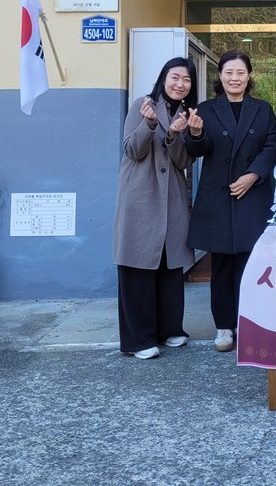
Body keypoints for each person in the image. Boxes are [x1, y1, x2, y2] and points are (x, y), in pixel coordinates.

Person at [185, 51, 276, 353]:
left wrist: (253, 174)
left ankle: (248, 323)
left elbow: (272, 145)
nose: (235, 78)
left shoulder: (262, 109)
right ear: (220, 76)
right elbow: (197, 150)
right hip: (219, 196)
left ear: (249, 76)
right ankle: (224, 326)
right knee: (222, 268)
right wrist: (195, 133)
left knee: (251, 266)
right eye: (229, 72)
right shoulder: (206, 109)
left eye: (240, 72)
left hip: (253, 195)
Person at [113, 57, 201, 360]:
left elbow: (184, 161)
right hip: (141, 195)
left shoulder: (188, 115)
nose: (180, 84)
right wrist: (150, 124)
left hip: (171, 198)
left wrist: (175, 135)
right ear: (164, 78)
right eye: (175, 77)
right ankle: (139, 339)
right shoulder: (142, 105)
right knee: (138, 264)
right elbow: (131, 150)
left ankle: (169, 329)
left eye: (186, 80)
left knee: (169, 265)